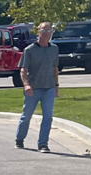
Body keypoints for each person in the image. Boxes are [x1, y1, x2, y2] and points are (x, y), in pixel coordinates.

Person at [17, 22, 59, 152]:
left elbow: (55, 68)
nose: (46, 34)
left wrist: (57, 85)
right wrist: (26, 85)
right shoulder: (29, 50)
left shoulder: (54, 49)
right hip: (33, 88)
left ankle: (43, 144)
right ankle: (19, 139)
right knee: (27, 116)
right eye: (43, 31)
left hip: (49, 87)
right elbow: (23, 69)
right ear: (38, 32)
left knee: (48, 117)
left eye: (49, 31)